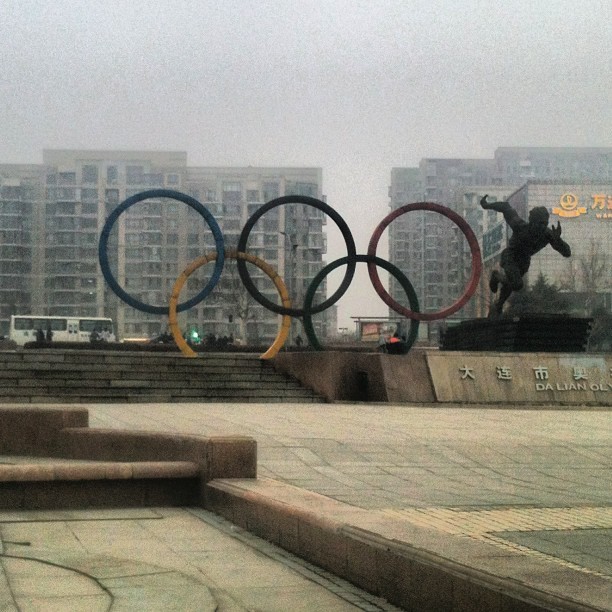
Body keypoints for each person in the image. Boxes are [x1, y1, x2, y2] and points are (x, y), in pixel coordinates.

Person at [480, 195, 571, 317]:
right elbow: (506, 208)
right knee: (517, 284)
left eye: (545, 224)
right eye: (539, 223)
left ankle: (499, 303)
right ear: (532, 221)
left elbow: (567, 253)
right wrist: (487, 205)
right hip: (511, 256)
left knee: (511, 285)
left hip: (524, 261)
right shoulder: (520, 226)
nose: (542, 227)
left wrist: (558, 240)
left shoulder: (548, 234)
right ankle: (496, 276)